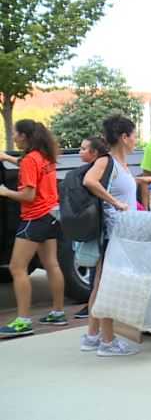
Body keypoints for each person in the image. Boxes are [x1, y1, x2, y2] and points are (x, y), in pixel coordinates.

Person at [80, 115, 151, 356]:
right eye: (133, 136)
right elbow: (89, 181)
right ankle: (108, 342)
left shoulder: (121, 165)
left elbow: (122, 185)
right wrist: (115, 203)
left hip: (120, 235)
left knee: (101, 285)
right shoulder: (106, 161)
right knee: (109, 287)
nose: (135, 140)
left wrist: (141, 181)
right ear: (124, 137)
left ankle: (92, 336)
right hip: (114, 235)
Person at [0, 121, 65, 338]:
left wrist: (5, 192)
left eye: (16, 134)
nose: (15, 138)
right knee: (51, 264)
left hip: (33, 218)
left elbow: (28, 195)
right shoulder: (44, 156)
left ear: (25, 136)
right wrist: (8, 158)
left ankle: (23, 321)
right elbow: (27, 165)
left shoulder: (30, 160)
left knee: (17, 268)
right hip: (51, 215)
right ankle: (57, 312)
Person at [73, 136, 110, 320]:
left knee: (97, 269)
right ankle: (93, 308)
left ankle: (92, 307)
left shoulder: (94, 169)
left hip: (93, 225)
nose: (79, 152)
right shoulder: (92, 171)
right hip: (96, 225)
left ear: (94, 152)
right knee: (97, 270)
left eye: (83, 149)